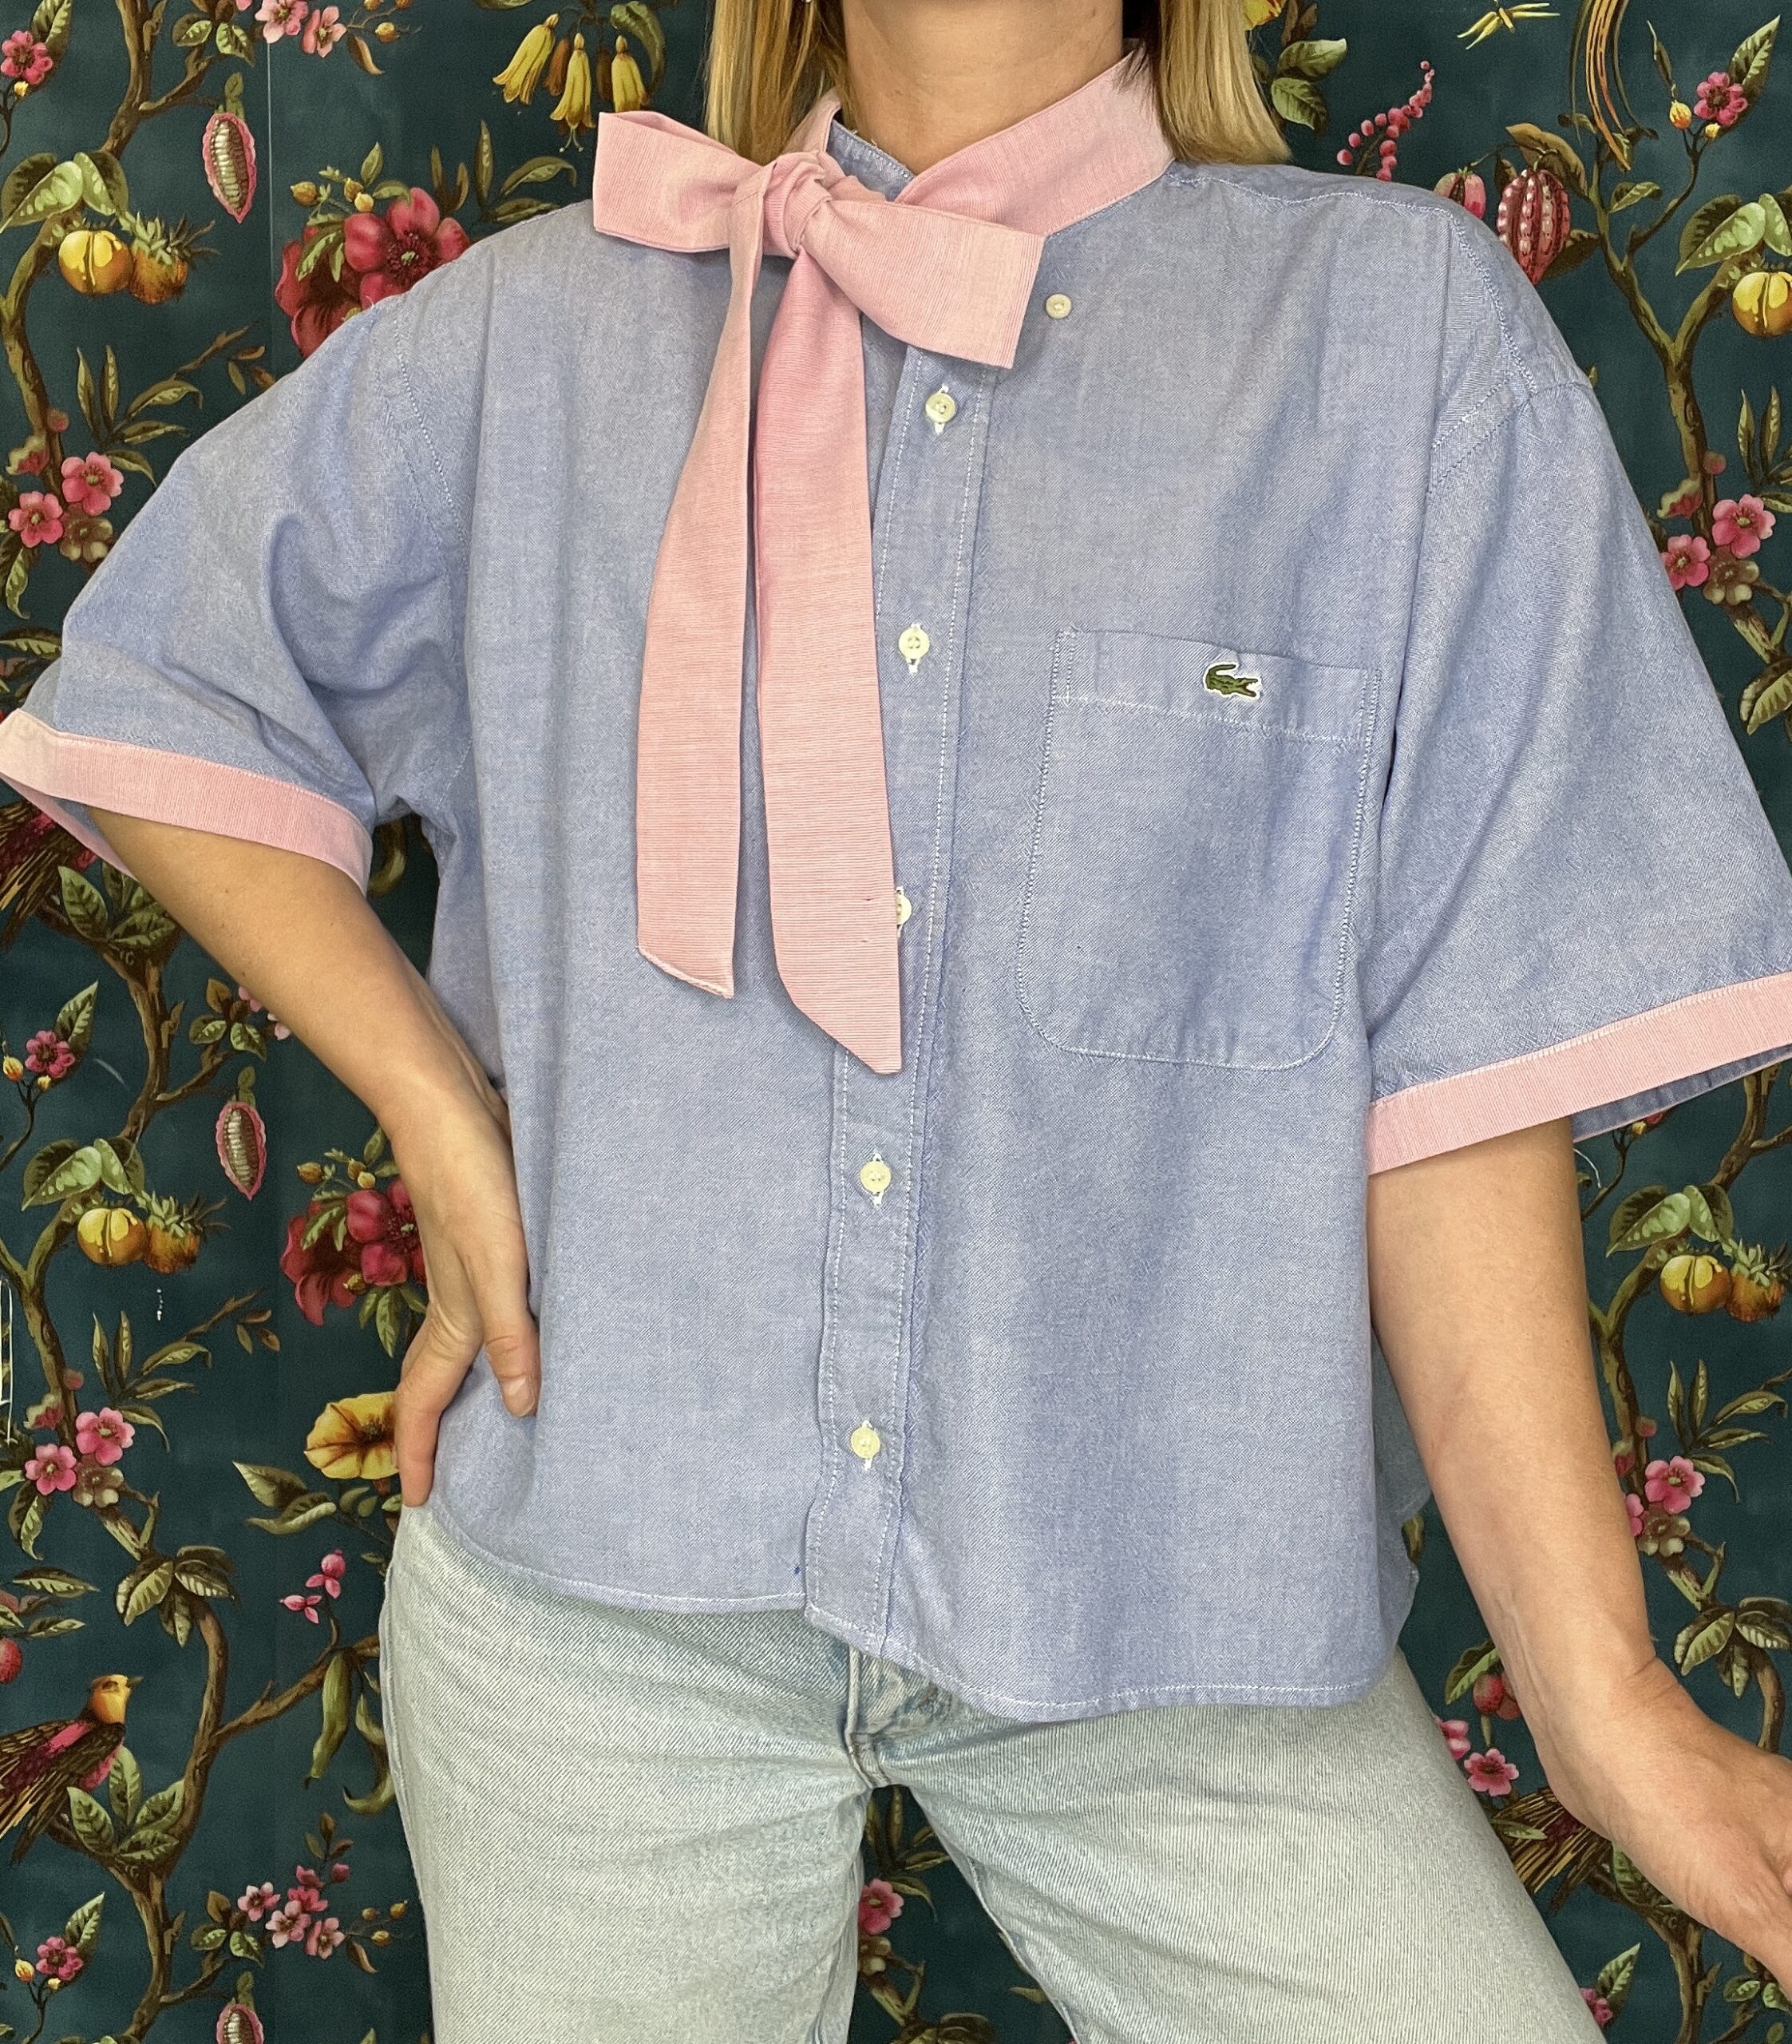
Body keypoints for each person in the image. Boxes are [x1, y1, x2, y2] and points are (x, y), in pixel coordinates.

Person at [6, 0, 1792, 2034]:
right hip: (598, 1591)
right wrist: (438, 1108)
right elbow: (158, 690)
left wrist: (1603, 1705)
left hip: (1163, 1602)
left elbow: (1456, 1063)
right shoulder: (539, 335)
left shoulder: (1392, 344)